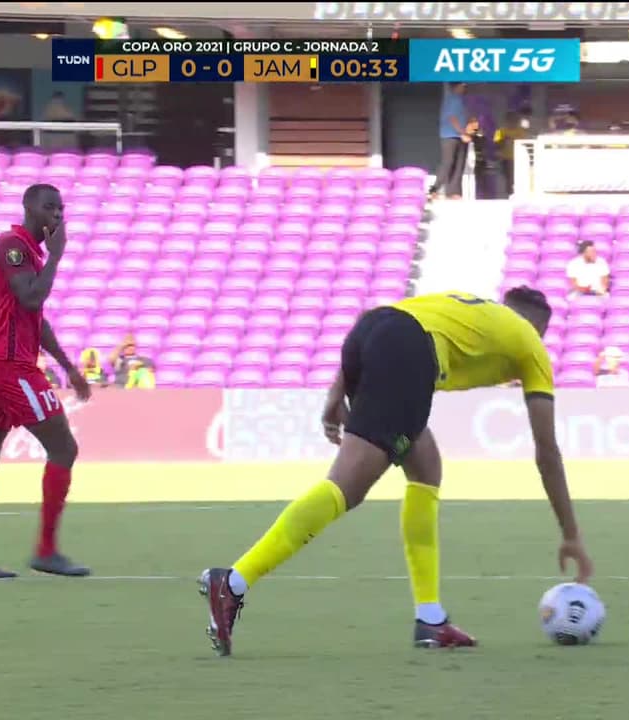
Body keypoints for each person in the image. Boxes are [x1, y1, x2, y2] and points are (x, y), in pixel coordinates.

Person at [198, 287, 594, 656]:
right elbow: (547, 452)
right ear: (539, 327)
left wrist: (337, 393)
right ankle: (232, 582)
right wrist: (572, 535)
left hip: (371, 330)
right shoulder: (532, 347)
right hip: (408, 352)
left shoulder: (474, 311)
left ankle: (431, 619)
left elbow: (384, 320)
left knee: (426, 467)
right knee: (347, 487)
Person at [0, 184, 92, 580]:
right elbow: (31, 297)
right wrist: (58, 257)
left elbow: (35, 319)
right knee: (64, 447)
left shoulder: (28, 253)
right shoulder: (12, 245)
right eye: (50, 207)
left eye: (61, 208)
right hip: (10, 367)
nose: (57, 215)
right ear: (29, 208)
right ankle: (46, 551)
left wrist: (68, 365)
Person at [430, 83, 469, 200]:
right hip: (450, 136)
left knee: (459, 165)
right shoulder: (453, 99)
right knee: (448, 163)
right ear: (457, 86)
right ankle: (434, 189)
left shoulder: (461, 100)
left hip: (459, 136)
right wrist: (462, 133)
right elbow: (452, 118)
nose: (465, 89)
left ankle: (453, 192)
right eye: (463, 86)